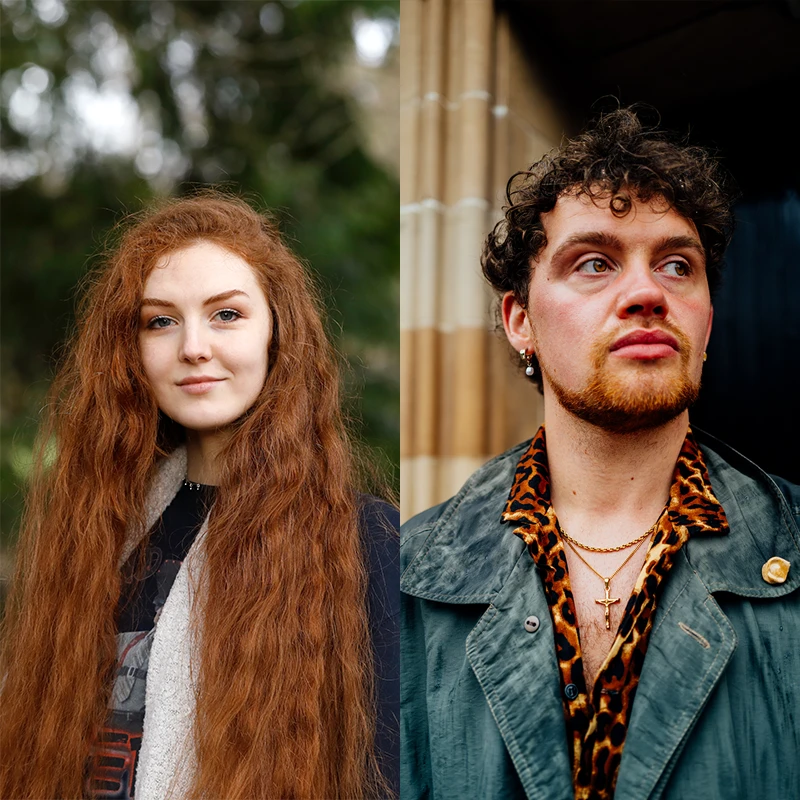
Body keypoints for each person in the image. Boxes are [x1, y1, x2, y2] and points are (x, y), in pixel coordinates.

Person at [400, 108, 800, 799]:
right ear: (519, 321)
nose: (647, 293)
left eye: (678, 265)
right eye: (593, 263)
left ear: (707, 322)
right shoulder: (401, 585)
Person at [0, 193, 399, 800]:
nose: (193, 347)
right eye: (160, 321)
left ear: (276, 334)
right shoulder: (101, 525)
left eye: (226, 315)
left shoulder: (365, 542)